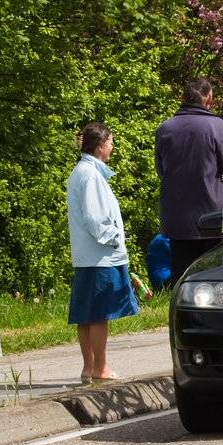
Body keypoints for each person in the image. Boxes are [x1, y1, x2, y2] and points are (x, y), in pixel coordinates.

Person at [155, 78, 223, 283]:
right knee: (215, 279)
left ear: (183, 99)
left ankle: (181, 313)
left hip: (177, 217)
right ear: (208, 98)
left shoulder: (164, 129)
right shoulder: (219, 127)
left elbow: (161, 170)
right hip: (214, 217)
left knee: (183, 279)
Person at [67, 122, 138, 384]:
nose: (112, 147)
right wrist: (116, 238)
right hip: (100, 256)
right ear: (99, 147)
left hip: (87, 256)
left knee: (86, 314)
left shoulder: (82, 171)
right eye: (109, 143)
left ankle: (89, 367)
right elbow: (96, 219)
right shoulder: (91, 175)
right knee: (100, 314)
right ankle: (101, 367)